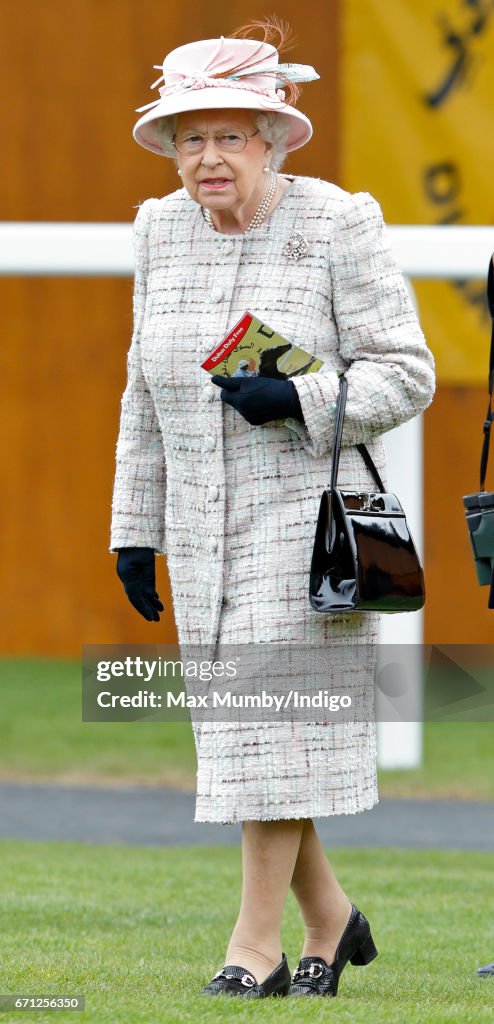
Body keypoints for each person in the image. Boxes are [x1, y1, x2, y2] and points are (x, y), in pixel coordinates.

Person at [110, 19, 436, 1000]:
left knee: (265, 728)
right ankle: (329, 920)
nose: (207, 157)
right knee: (262, 740)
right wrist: (134, 527)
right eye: (189, 137)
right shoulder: (157, 230)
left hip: (304, 530)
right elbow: (141, 390)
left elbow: (404, 372)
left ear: (272, 139)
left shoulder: (339, 221)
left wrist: (298, 396)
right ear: (170, 149)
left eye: (229, 136)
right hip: (204, 541)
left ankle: (251, 943)